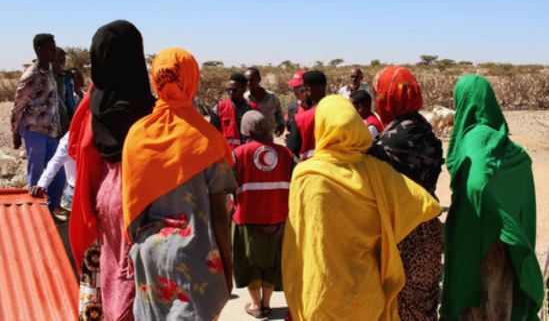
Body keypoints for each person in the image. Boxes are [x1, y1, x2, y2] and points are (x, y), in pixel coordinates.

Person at [282, 95, 441, 320]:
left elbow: (296, 242)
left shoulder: (307, 175)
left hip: (321, 295)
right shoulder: (377, 171)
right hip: (367, 294)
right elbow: (426, 206)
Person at [123, 48, 235, 320]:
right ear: (191, 80)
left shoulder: (137, 136)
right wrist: (228, 271)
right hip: (195, 257)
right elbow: (221, 217)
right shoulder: (207, 140)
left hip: (149, 255)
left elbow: (130, 207)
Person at [69, 20, 156, 321]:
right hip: (144, 199)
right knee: (134, 279)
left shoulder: (91, 103)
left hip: (101, 202)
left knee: (108, 278)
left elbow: (74, 149)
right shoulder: (151, 108)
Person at [441, 75, 544, 320]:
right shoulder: (501, 139)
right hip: (506, 247)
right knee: (501, 303)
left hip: (478, 241)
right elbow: (520, 166)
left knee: (479, 305)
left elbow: (477, 184)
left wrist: (495, 213)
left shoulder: (474, 136)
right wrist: (509, 225)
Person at [368, 66, 443, 320]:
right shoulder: (425, 130)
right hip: (429, 231)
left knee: (398, 308)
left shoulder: (389, 142)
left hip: (401, 235)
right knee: (423, 306)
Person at [232, 110, 294, 319]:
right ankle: (267, 304)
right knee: (272, 263)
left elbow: (227, 186)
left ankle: (256, 306)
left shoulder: (238, 154)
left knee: (251, 264)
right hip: (278, 219)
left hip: (247, 220)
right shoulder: (285, 153)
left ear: (246, 129)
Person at [10, 33, 65, 211]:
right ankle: (35, 215)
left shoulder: (49, 71)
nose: (53, 52)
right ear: (39, 50)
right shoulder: (31, 76)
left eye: (54, 48)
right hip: (34, 131)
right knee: (36, 176)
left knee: (57, 175)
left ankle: (49, 211)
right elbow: (18, 107)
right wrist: (16, 133)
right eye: (50, 49)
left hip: (52, 131)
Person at [29, 131, 75, 221]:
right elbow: (55, 162)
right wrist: (42, 184)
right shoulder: (71, 137)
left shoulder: (101, 134)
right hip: (75, 191)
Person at [286, 70, 327, 160]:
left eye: (300, 87)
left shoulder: (301, 119)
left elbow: (291, 150)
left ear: (307, 89)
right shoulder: (293, 107)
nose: (296, 90)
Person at [210, 73, 257, 149]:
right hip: (227, 154)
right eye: (229, 89)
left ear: (244, 89)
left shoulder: (252, 109)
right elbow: (212, 134)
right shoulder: (218, 108)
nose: (231, 92)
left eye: (234, 90)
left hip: (247, 153)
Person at [244, 67, 285, 136]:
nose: (249, 83)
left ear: (259, 80)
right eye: (246, 81)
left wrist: (281, 125)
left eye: (252, 80)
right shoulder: (244, 99)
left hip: (268, 138)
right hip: (250, 139)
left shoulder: (272, 97)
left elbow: (279, 114)